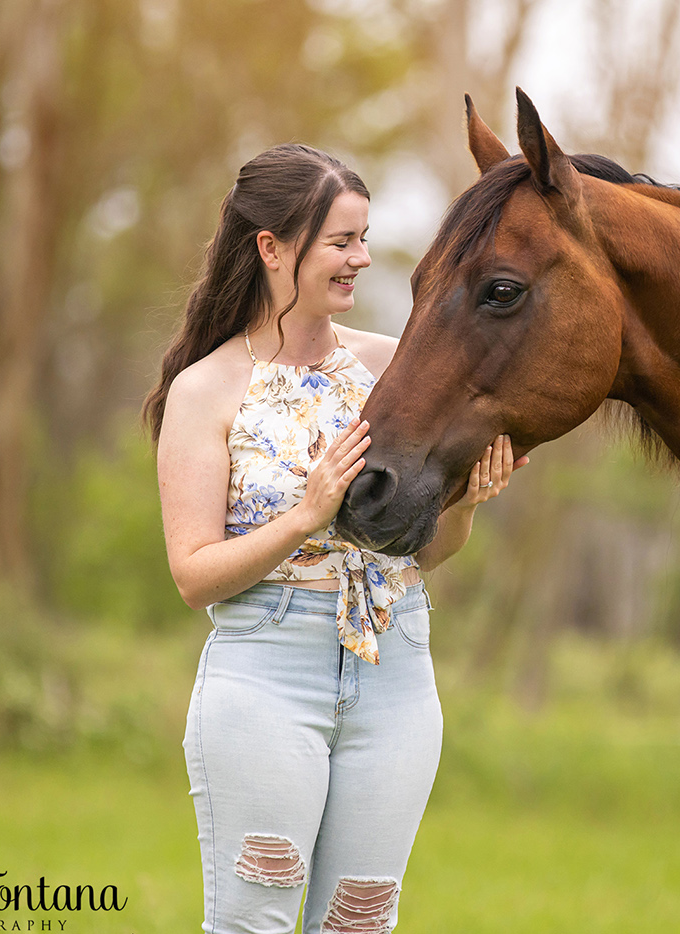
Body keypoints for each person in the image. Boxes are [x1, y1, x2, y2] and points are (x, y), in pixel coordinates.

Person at [144, 143, 523, 934]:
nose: (362, 259)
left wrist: (468, 504)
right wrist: (304, 516)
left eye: (364, 237)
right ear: (273, 249)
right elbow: (193, 575)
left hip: (398, 677)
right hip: (265, 680)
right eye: (342, 242)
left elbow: (426, 554)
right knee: (257, 920)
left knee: (360, 923)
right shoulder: (205, 389)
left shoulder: (391, 372)